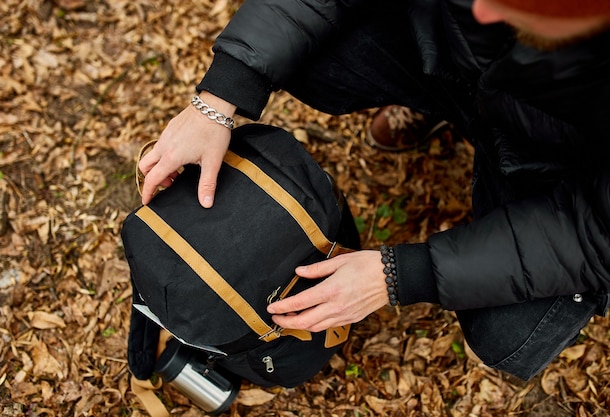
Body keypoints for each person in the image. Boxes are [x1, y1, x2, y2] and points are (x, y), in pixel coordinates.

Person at [138, 0, 610, 381]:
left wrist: (400, 274)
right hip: (467, 67)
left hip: (559, 166)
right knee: (311, 51)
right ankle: (445, 103)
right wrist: (219, 99)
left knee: (507, 333)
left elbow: (594, 236)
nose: (481, 8)